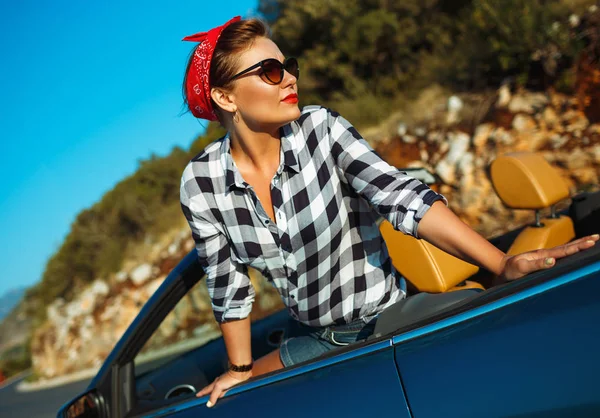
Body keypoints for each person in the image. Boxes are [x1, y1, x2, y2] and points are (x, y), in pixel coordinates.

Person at [179, 16, 598, 408]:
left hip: (384, 322)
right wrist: (238, 370)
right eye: (270, 71)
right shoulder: (201, 184)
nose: (290, 77)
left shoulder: (321, 129)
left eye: (288, 66)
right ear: (225, 96)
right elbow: (226, 283)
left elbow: (401, 197)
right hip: (312, 338)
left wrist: (501, 262)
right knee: (235, 401)